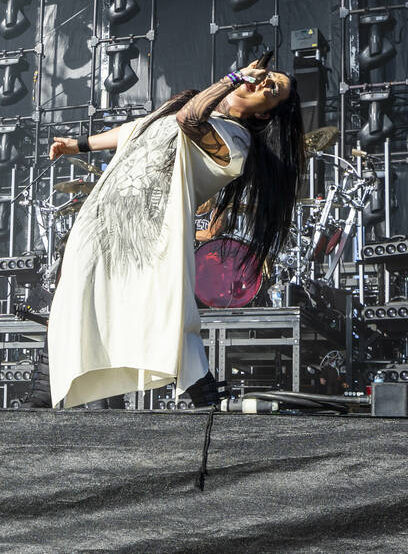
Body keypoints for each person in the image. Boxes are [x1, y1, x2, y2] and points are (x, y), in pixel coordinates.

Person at [43, 60, 303, 409]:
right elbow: (136, 130)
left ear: (265, 116)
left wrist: (233, 79)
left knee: (166, 320)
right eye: (266, 77)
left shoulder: (235, 140)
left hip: (149, 238)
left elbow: (190, 120)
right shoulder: (186, 108)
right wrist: (77, 145)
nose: (262, 83)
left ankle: (205, 408)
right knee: (75, 306)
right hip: (101, 224)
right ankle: (42, 404)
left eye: (272, 89)